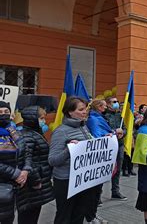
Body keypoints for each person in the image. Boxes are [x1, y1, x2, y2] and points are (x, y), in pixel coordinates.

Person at [48, 96, 97, 224]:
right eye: (81, 109)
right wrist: (69, 151)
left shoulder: (84, 127)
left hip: (82, 179)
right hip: (66, 181)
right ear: (70, 112)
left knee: (79, 213)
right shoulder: (61, 132)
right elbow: (52, 160)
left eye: (85, 109)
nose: (85, 111)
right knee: (64, 216)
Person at [86, 99, 123, 222]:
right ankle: (91, 216)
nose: (106, 107)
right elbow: (98, 136)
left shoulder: (100, 117)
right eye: (104, 105)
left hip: (105, 155)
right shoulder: (93, 119)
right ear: (99, 107)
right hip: (97, 158)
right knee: (93, 191)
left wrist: (113, 133)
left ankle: (94, 214)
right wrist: (112, 134)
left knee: (97, 188)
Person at [16, 106, 54, 224]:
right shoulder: (27, 136)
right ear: (33, 119)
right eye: (42, 118)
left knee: (32, 214)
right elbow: (27, 161)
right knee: (28, 216)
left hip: (36, 183)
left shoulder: (34, 133)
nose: (44, 121)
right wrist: (36, 181)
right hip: (31, 185)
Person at [0, 102, 29, 224]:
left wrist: (26, 170)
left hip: (15, 186)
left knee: (8, 218)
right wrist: (16, 174)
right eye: (0, 112)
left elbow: (26, 152)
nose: (3, 115)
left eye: (6, 112)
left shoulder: (14, 131)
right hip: (3, 183)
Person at [104, 96, 127, 201]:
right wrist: (114, 132)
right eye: (114, 102)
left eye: (117, 101)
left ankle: (115, 191)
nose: (117, 103)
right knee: (103, 169)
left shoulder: (119, 116)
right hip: (108, 147)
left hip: (120, 144)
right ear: (108, 104)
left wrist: (123, 133)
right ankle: (98, 195)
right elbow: (103, 130)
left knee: (117, 169)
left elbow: (125, 128)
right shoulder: (104, 116)